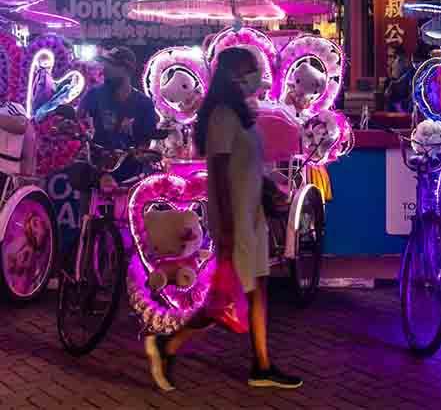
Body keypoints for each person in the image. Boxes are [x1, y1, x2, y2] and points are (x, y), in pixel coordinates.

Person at [144, 47, 302, 392]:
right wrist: (228, 228)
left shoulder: (242, 114)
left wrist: (266, 188)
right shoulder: (221, 116)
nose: (255, 76)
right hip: (234, 218)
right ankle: (166, 345)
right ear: (231, 74)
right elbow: (217, 172)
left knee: (258, 289)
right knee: (227, 297)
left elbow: (249, 166)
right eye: (249, 69)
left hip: (252, 215)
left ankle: (262, 364)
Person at [78, 46, 158, 182]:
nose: (105, 69)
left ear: (126, 69)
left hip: (132, 175)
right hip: (97, 170)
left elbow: (147, 141)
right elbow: (79, 121)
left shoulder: (144, 103)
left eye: (110, 65)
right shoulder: (94, 94)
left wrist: (142, 153)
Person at [383, 43, 413, 113]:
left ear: (403, 60)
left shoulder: (411, 80)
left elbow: (405, 110)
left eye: (392, 57)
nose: (389, 62)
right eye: (388, 57)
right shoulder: (389, 81)